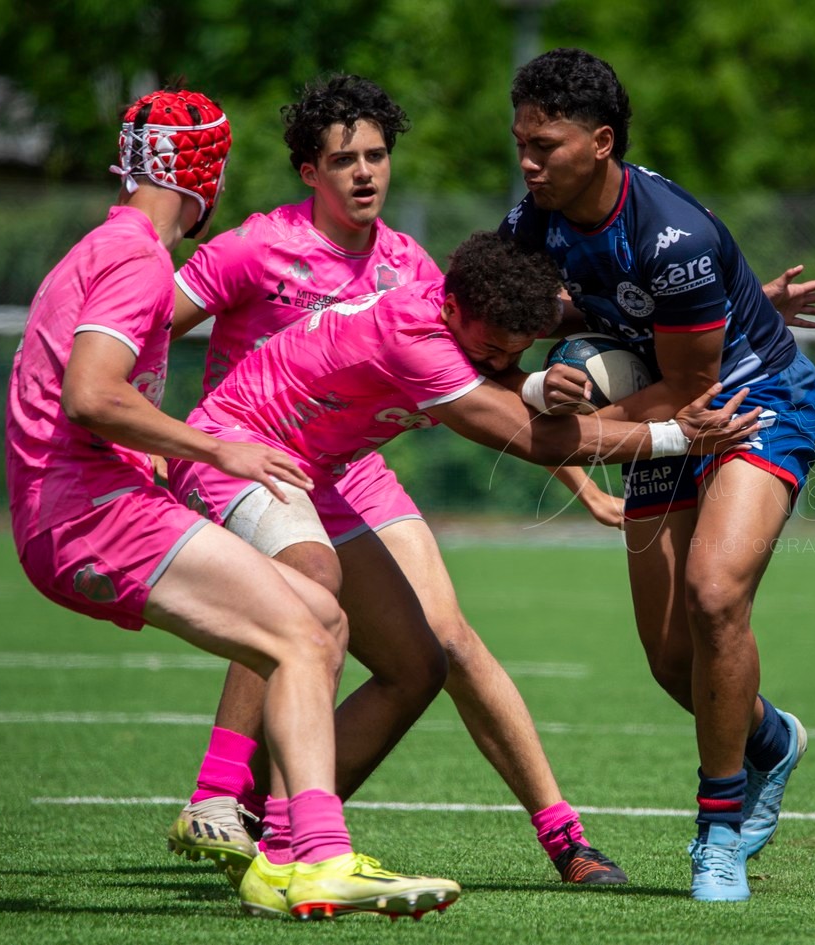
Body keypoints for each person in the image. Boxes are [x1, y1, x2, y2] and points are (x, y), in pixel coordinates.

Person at [165, 230, 760, 911]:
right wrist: (680, 435)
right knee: (308, 579)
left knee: (421, 662)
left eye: (516, 351)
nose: (501, 361)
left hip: (320, 472)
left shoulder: (460, 305)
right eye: (490, 349)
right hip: (237, 445)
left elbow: (551, 347)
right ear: (451, 308)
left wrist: (539, 376)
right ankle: (274, 829)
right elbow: (532, 436)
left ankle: (267, 827)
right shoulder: (414, 337)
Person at [163, 73, 631, 892]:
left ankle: (563, 836)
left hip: (349, 463)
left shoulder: (412, 266)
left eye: (378, 155)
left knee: (441, 649)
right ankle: (225, 799)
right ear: (311, 170)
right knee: (303, 590)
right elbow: (145, 327)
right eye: (346, 159)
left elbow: (486, 380)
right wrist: (134, 431)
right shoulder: (254, 246)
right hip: (254, 450)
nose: (367, 173)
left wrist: (579, 469)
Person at [5, 87, 461, 921]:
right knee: (305, 625)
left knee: (314, 617)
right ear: (205, 172)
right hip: (89, 515)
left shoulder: (106, 246)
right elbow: (90, 395)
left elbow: (77, 390)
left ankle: (279, 861)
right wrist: (215, 445)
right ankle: (300, 848)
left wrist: (152, 448)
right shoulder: (140, 256)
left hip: (82, 507)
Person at [498, 48, 815, 902]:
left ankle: (718, 829)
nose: (528, 161)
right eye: (521, 142)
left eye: (547, 145)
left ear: (602, 143)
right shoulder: (530, 225)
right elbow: (485, 340)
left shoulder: (669, 235)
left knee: (716, 596)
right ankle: (769, 740)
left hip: (749, 404)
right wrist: (541, 383)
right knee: (670, 661)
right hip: (663, 414)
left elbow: (690, 388)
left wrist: (569, 433)